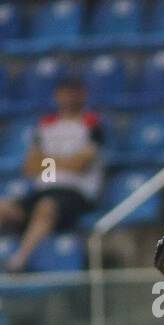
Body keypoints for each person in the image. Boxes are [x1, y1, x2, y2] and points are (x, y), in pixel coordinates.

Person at [0, 75, 103, 272]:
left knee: (46, 207)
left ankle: (18, 261)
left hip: (75, 193)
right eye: (64, 94)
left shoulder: (92, 125)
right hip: (46, 187)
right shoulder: (45, 126)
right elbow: (30, 166)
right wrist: (66, 161)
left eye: (73, 94)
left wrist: (47, 161)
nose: (68, 98)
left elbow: (81, 164)